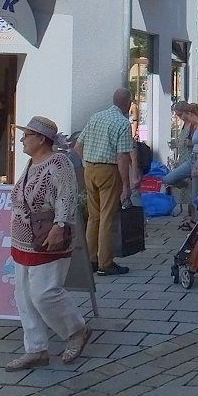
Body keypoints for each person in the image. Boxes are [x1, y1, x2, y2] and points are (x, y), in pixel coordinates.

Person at [5, 116, 91, 371]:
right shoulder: (32, 162)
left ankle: (76, 329)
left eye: (27, 135)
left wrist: (60, 225)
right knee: (24, 297)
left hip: (48, 238)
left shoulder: (59, 162)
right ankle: (36, 349)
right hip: (23, 238)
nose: (22, 139)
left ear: (41, 139)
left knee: (44, 293)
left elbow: (67, 196)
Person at [75, 88, 136, 276]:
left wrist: (88, 163)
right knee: (107, 216)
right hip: (108, 170)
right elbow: (122, 157)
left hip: (89, 169)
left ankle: (90, 259)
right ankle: (105, 263)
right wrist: (126, 185)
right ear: (128, 103)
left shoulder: (96, 117)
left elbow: (78, 146)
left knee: (94, 217)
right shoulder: (122, 123)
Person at [164, 102, 198, 223]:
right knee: (168, 178)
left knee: (195, 196)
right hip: (193, 158)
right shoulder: (197, 125)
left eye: (186, 116)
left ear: (191, 114)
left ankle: (197, 221)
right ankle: (187, 185)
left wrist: (197, 165)